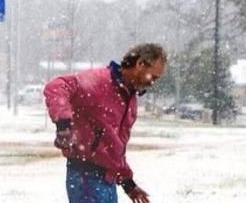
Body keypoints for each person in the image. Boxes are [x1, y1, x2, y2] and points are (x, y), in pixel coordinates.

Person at [44, 43, 167, 203]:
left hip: (107, 181)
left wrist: (128, 183)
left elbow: (115, 148)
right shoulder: (99, 81)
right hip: (85, 177)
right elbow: (56, 86)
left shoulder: (129, 100)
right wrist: (63, 125)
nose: (152, 83)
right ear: (140, 64)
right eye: (153, 77)